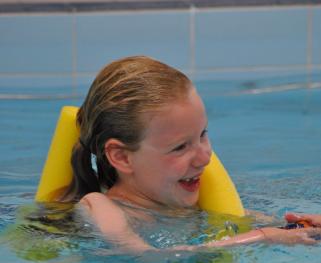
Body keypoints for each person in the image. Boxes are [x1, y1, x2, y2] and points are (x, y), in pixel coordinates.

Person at [62, 56, 321, 252]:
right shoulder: (100, 208)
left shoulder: (191, 202)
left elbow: (254, 223)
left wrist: (305, 226)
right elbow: (145, 259)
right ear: (121, 157)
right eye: (180, 147)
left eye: (202, 134)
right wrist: (263, 237)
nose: (204, 158)